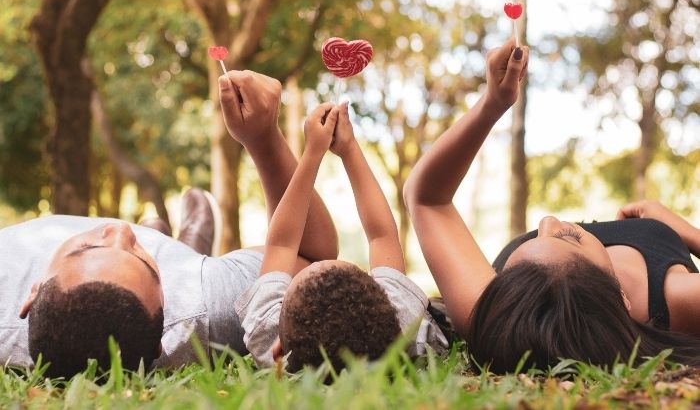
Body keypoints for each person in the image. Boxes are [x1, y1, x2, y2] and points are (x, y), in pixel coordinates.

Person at [0, 71, 338, 378]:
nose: (121, 230)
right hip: (196, 278)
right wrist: (264, 139)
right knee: (173, 252)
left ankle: (161, 238)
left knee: (148, 234)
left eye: (86, 248)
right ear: (163, 342)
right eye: (145, 260)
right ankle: (182, 247)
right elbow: (312, 257)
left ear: (32, 293)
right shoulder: (198, 309)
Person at [403, 38, 700, 373]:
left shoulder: (497, 316)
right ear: (619, 297)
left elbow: (427, 198)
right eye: (568, 238)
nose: (548, 220)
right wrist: (686, 232)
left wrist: (493, 104)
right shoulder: (681, 299)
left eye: (506, 275)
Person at [234, 101, 447, 374]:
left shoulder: (268, 336)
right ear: (386, 300)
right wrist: (349, 149)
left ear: (278, 353)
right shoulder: (403, 322)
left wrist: (312, 154)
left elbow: (282, 243)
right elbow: (381, 236)